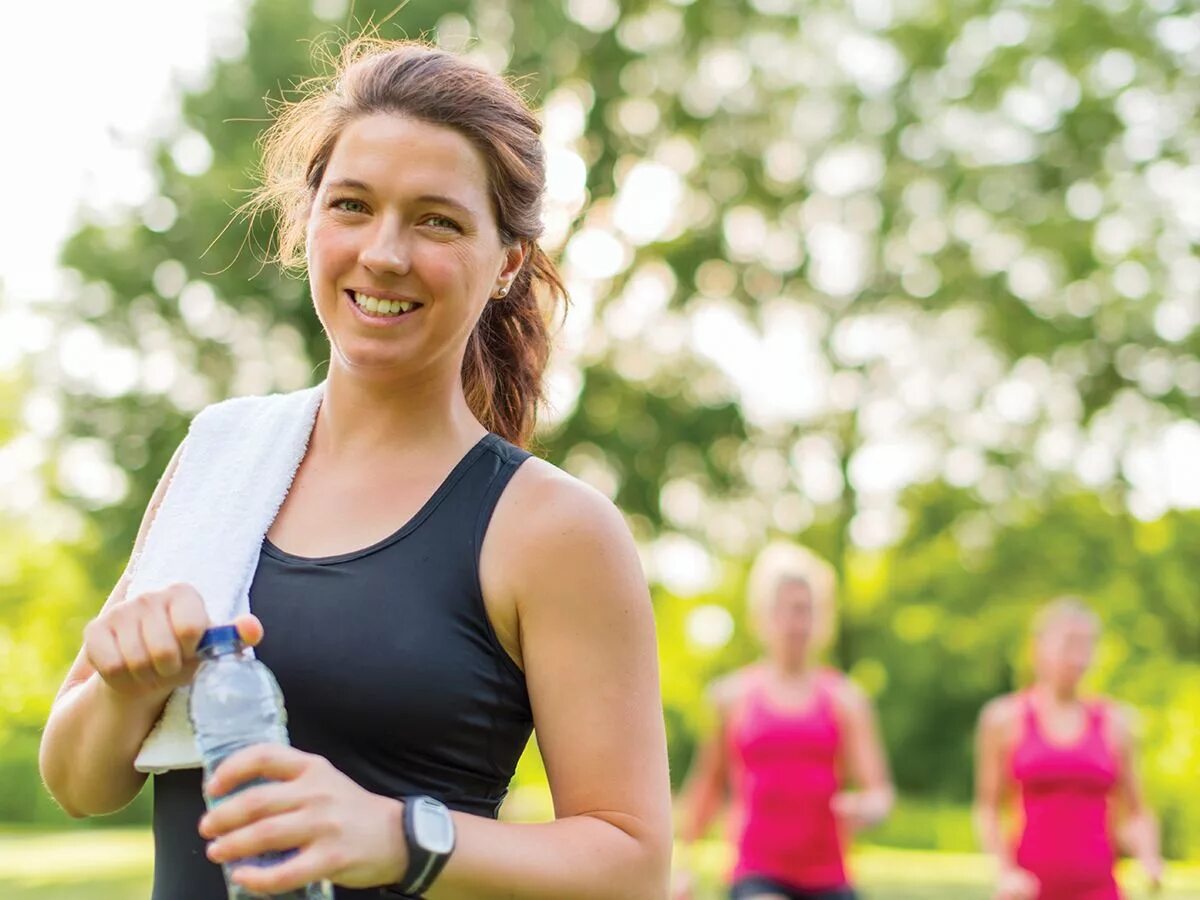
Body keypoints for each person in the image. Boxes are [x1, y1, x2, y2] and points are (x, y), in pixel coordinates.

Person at [38, 38, 672, 899]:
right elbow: (80, 784)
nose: (384, 253)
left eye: (436, 220)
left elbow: (633, 863)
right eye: (352, 205)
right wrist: (126, 688)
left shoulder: (551, 529)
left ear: (507, 263)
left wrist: (400, 835)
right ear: (308, 222)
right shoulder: (220, 458)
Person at [674, 542, 894, 900]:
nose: (797, 623)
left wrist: (867, 807)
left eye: (806, 611)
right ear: (763, 615)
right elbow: (706, 787)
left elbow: (879, 792)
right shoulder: (730, 697)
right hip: (757, 873)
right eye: (787, 610)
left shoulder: (846, 700)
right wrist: (684, 864)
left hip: (830, 879)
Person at [974, 597, 1164, 900]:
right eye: (1069, 644)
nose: (1078, 657)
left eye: (1087, 646)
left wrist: (1149, 858)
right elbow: (988, 809)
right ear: (1037, 649)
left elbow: (1137, 812)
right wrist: (1005, 872)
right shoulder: (1003, 718)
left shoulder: (1117, 722)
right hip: (1029, 890)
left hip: (1099, 890)